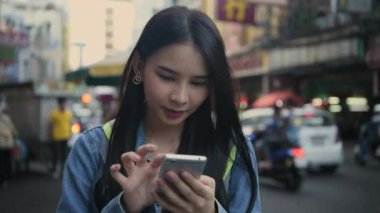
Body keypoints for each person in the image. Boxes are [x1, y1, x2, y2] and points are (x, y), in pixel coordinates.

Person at [57, 6, 261, 213]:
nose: (180, 98)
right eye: (167, 77)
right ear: (138, 66)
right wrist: (125, 206)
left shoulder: (234, 150)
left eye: (198, 83)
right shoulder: (92, 149)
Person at [49, 97, 72, 178]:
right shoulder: (54, 113)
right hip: (56, 136)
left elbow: (70, 124)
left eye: (63, 103)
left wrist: (70, 133)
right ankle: (55, 169)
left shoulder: (68, 113)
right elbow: (51, 125)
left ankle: (62, 170)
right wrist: (51, 135)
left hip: (65, 136)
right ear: (58, 104)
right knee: (56, 154)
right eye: (61, 103)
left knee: (64, 154)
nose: (62, 104)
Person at [0, 96, 17, 189]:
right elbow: (8, 130)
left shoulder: (6, 118)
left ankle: (6, 179)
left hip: (7, 144)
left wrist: (14, 133)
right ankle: (3, 180)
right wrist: (9, 132)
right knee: (2, 163)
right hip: (1, 144)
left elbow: (12, 128)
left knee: (6, 162)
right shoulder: (6, 118)